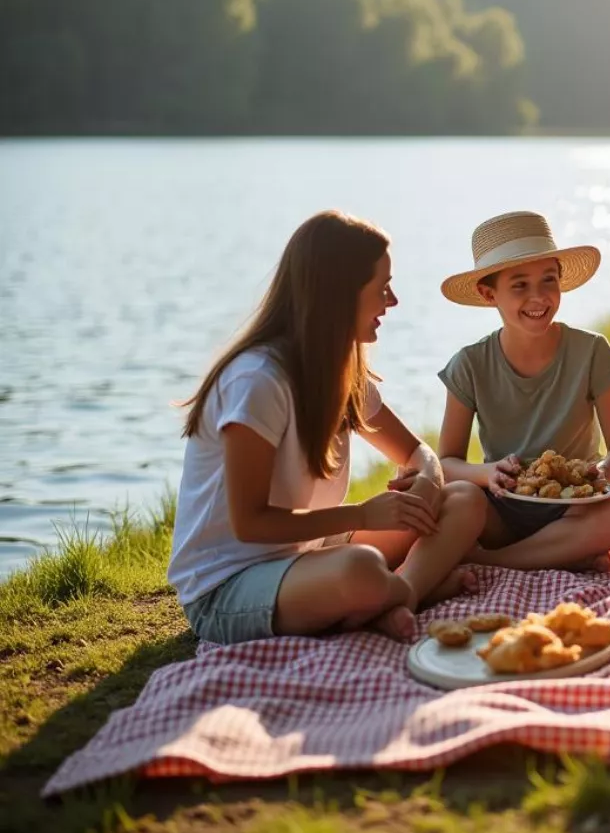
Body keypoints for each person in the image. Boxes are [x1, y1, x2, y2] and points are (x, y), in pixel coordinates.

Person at [168, 211, 487, 645]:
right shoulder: (258, 381)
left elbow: (418, 453)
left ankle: (403, 595)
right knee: (359, 570)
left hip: (307, 553)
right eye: (382, 288)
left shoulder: (342, 371)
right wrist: (361, 515)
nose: (391, 302)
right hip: (228, 586)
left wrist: (428, 483)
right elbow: (250, 524)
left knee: (464, 500)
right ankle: (404, 590)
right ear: (339, 294)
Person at [436, 210, 610, 570]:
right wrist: (487, 473)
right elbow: (447, 463)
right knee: (459, 497)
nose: (539, 297)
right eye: (519, 285)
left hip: (576, 508)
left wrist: (599, 474)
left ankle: (497, 562)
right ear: (487, 294)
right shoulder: (469, 365)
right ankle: (563, 555)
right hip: (501, 509)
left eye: (549, 280)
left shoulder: (591, 351)